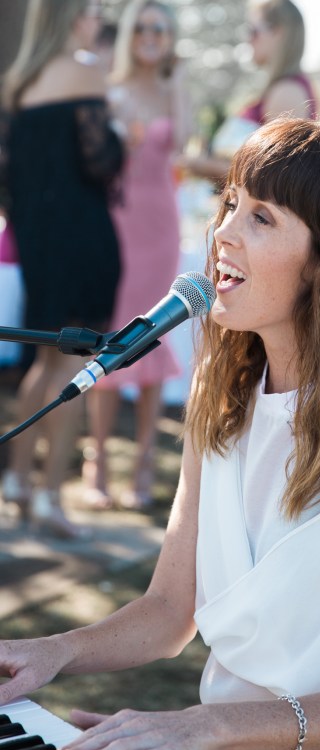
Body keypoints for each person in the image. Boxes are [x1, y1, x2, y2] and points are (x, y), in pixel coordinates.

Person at [0, 118, 320, 750]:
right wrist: (50, 651)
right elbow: (171, 609)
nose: (221, 231)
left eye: (259, 216)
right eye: (228, 203)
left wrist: (202, 725)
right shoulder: (221, 385)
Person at [0, 0, 124, 538]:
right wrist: (125, 138)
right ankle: (51, 494)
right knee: (81, 367)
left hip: (39, 243)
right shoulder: (84, 69)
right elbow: (103, 160)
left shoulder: (17, 84)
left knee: (42, 364)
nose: (98, 15)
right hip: (83, 239)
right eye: (93, 6)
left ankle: (18, 481)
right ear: (70, 14)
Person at [82, 0, 191, 511]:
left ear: (169, 37)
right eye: (144, 27)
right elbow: (92, 157)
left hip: (161, 224)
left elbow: (186, 142)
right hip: (116, 224)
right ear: (131, 32)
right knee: (113, 337)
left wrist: (179, 82)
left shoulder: (173, 87)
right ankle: (96, 460)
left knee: (152, 334)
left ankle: (145, 460)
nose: (151, 35)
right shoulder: (109, 85)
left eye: (161, 29)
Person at [180, 0, 317, 183]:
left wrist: (204, 166)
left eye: (252, 31)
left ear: (278, 33)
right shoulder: (280, 88)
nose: (247, 39)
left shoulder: (287, 92)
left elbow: (273, 176)